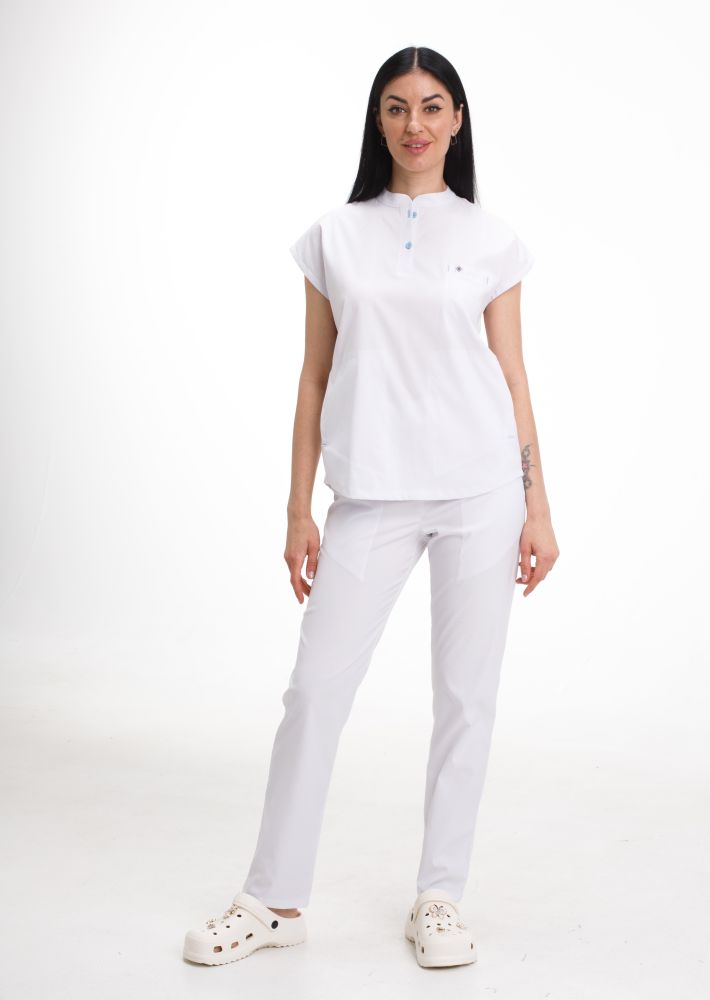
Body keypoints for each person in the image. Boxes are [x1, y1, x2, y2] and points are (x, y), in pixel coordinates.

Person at [183, 45, 559, 970]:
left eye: (431, 106)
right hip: (370, 493)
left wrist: (537, 507)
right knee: (314, 692)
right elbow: (314, 376)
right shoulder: (335, 235)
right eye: (396, 107)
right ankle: (274, 900)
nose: (414, 124)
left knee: (465, 699)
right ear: (377, 120)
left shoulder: (492, 239)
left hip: (479, 489)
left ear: (457, 119)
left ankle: (440, 898)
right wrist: (296, 508)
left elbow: (512, 376)